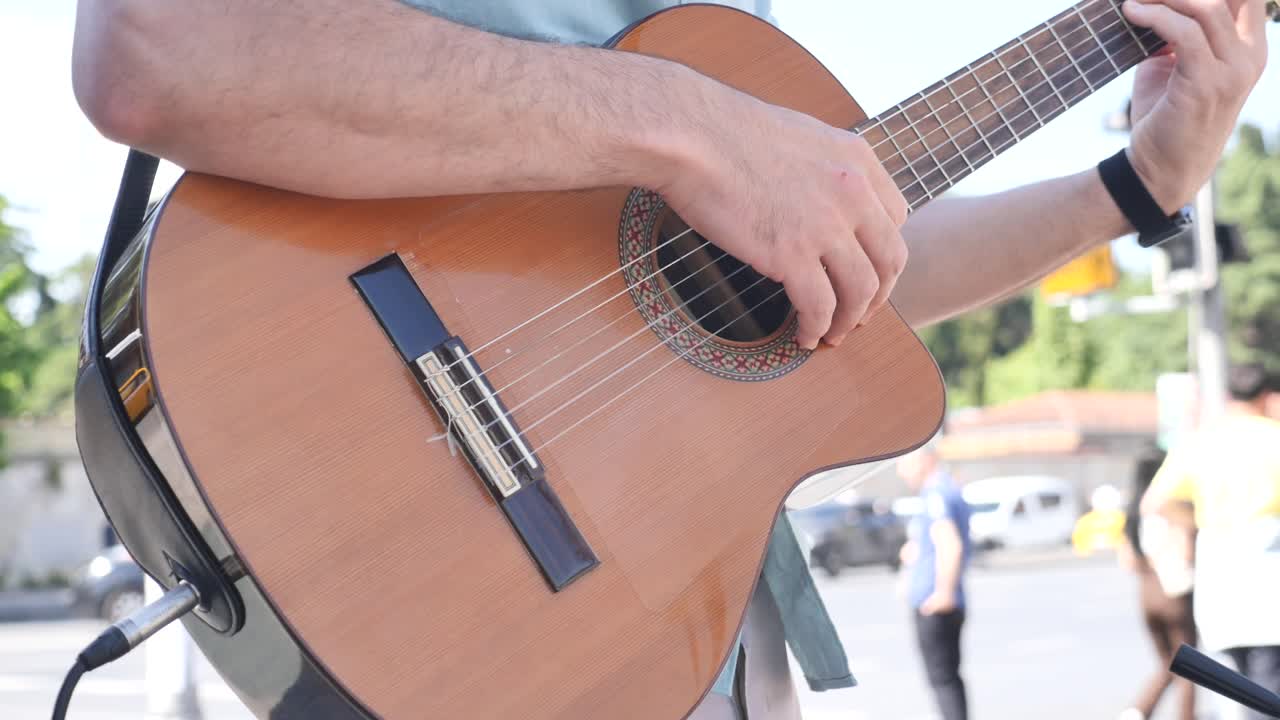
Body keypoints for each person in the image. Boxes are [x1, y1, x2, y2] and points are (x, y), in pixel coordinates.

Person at [71, 1, 1267, 718]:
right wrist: (688, 124)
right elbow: (162, 43)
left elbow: (842, 279)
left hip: (668, 633)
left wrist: (1134, 186)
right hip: (441, 565)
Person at [1142, 363, 1280, 720]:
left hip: (1219, 570)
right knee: (1269, 684)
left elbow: (1155, 502)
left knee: (1227, 683)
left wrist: (1197, 524)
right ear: (1267, 397)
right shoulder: (1275, 438)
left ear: (1230, 397)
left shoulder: (1201, 441)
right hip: (1269, 570)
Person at [1117, 446, 1197, 720]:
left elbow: (1127, 559)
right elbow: (1186, 551)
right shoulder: (1170, 506)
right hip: (1172, 593)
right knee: (1191, 665)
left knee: (1167, 662)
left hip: (1146, 594)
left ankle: (1138, 711)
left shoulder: (1132, 515)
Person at [897, 440, 972, 720]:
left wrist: (943, 593)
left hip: (936, 602)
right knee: (949, 677)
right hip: (943, 599)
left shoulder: (936, 493)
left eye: (905, 463)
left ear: (925, 460)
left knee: (943, 680)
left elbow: (949, 544)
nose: (901, 471)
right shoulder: (945, 490)